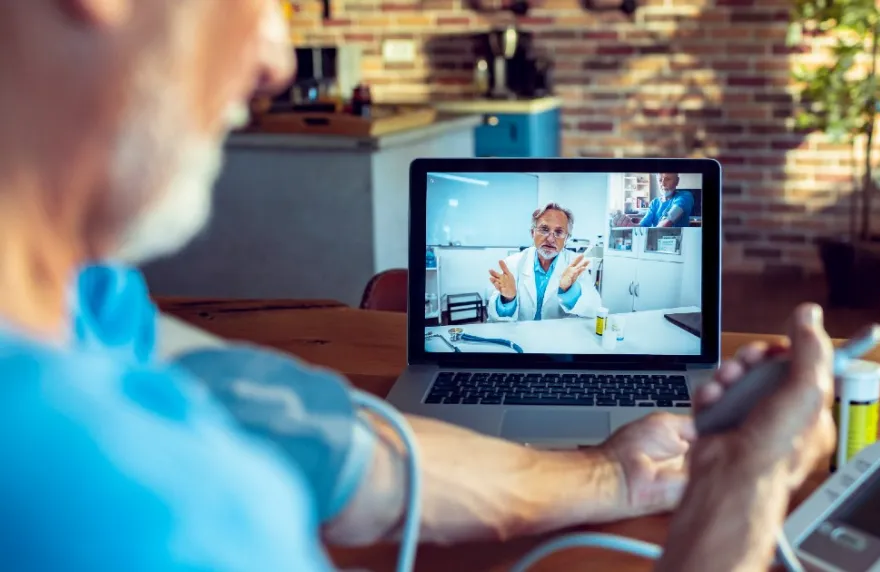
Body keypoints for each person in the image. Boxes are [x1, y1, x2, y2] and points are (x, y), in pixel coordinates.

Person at [0, 1, 836, 571]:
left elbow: (306, 429)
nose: (275, 60)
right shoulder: (151, 515)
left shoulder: (86, 306)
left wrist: (614, 478)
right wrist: (739, 505)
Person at [486, 202, 602, 322]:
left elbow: (594, 309)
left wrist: (569, 291)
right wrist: (507, 299)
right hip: (521, 336)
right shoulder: (512, 264)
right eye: (544, 229)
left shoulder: (576, 266)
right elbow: (494, 320)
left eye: (559, 232)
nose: (551, 239)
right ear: (533, 233)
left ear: (566, 238)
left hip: (558, 337)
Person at [612, 172, 695, 228]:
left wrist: (652, 234)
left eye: (668, 179)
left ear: (677, 181)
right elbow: (642, 226)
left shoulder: (685, 196)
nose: (662, 184)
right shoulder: (654, 203)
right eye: (660, 180)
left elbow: (669, 219)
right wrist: (628, 225)